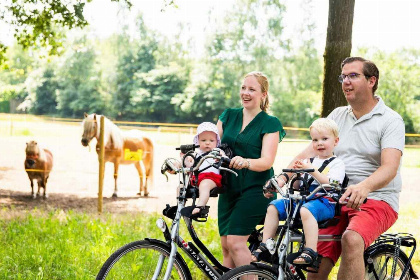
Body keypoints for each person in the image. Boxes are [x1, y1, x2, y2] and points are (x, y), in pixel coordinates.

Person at [283, 57, 404, 280]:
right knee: (316, 257)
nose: (346, 81)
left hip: (376, 198)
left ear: (371, 81)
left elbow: (390, 168)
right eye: (343, 77)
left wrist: (363, 187)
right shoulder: (337, 116)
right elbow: (308, 152)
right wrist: (282, 178)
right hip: (334, 198)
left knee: (352, 239)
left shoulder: (390, 120)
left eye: (353, 76)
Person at [252, 118, 345, 268]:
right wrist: (298, 175)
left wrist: (312, 170)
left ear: (336, 141)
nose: (319, 143)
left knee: (306, 210)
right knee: (273, 206)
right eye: (315, 140)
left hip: (325, 202)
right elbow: (298, 185)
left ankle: (310, 251)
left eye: (324, 139)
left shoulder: (337, 163)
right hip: (304, 200)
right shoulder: (311, 161)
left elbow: (333, 184)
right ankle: (266, 244)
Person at [217, 71, 286, 268]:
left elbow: (267, 161)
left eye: (252, 89)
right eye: (243, 88)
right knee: (226, 246)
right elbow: (212, 146)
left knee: (236, 243)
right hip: (228, 188)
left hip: (257, 190)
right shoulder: (228, 116)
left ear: (263, 94)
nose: (246, 93)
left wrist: (245, 162)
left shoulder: (270, 123)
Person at [184, 122, 224, 216]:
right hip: (197, 178)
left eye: (211, 140)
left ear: (217, 142)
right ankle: (179, 205)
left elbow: (225, 158)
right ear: (198, 142)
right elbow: (190, 166)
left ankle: (200, 206)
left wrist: (221, 157)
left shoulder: (217, 151)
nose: (207, 143)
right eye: (203, 140)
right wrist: (186, 160)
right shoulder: (197, 153)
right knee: (182, 186)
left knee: (204, 185)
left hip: (211, 178)